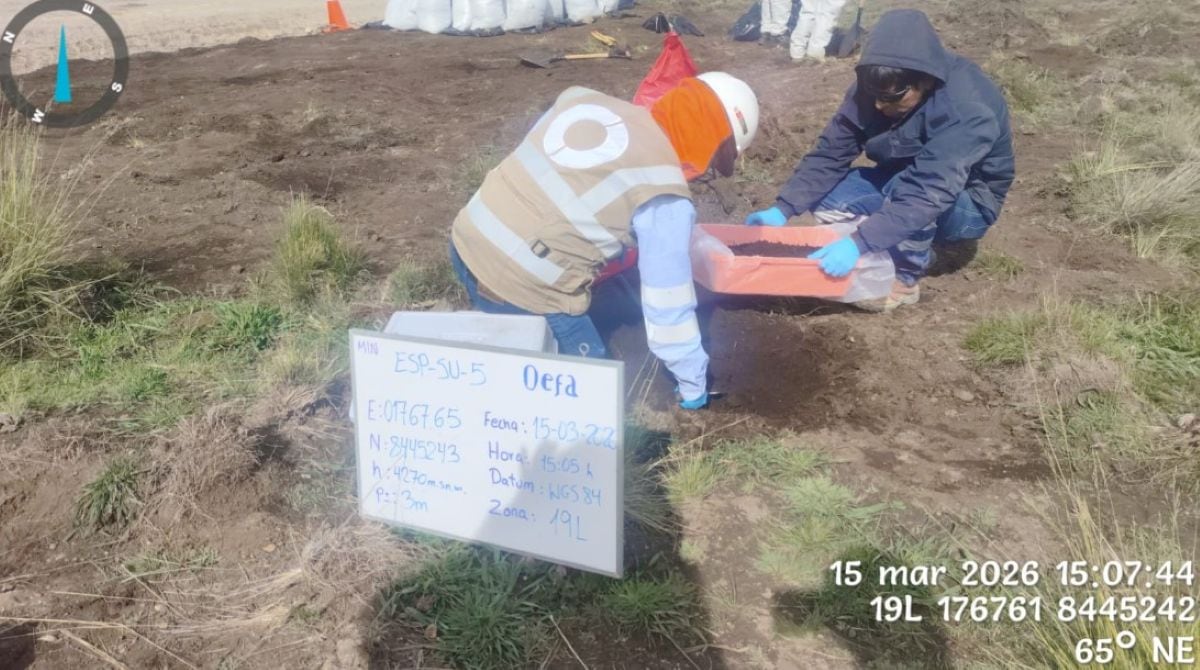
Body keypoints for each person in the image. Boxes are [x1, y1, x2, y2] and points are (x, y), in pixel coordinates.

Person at [449, 73, 760, 409]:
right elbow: (667, 309)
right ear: (713, 142)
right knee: (591, 395)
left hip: (466, 239)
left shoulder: (583, 97)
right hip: (521, 286)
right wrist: (692, 380)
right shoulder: (664, 196)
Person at [747, 9, 1014, 311]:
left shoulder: (967, 108)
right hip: (902, 180)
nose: (877, 105)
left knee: (905, 192)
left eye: (891, 100)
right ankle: (884, 249)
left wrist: (858, 244)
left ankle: (905, 277)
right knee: (828, 199)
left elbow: (927, 191)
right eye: (874, 97)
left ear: (923, 82)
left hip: (967, 202)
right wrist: (783, 209)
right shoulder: (879, 82)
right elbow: (833, 150)